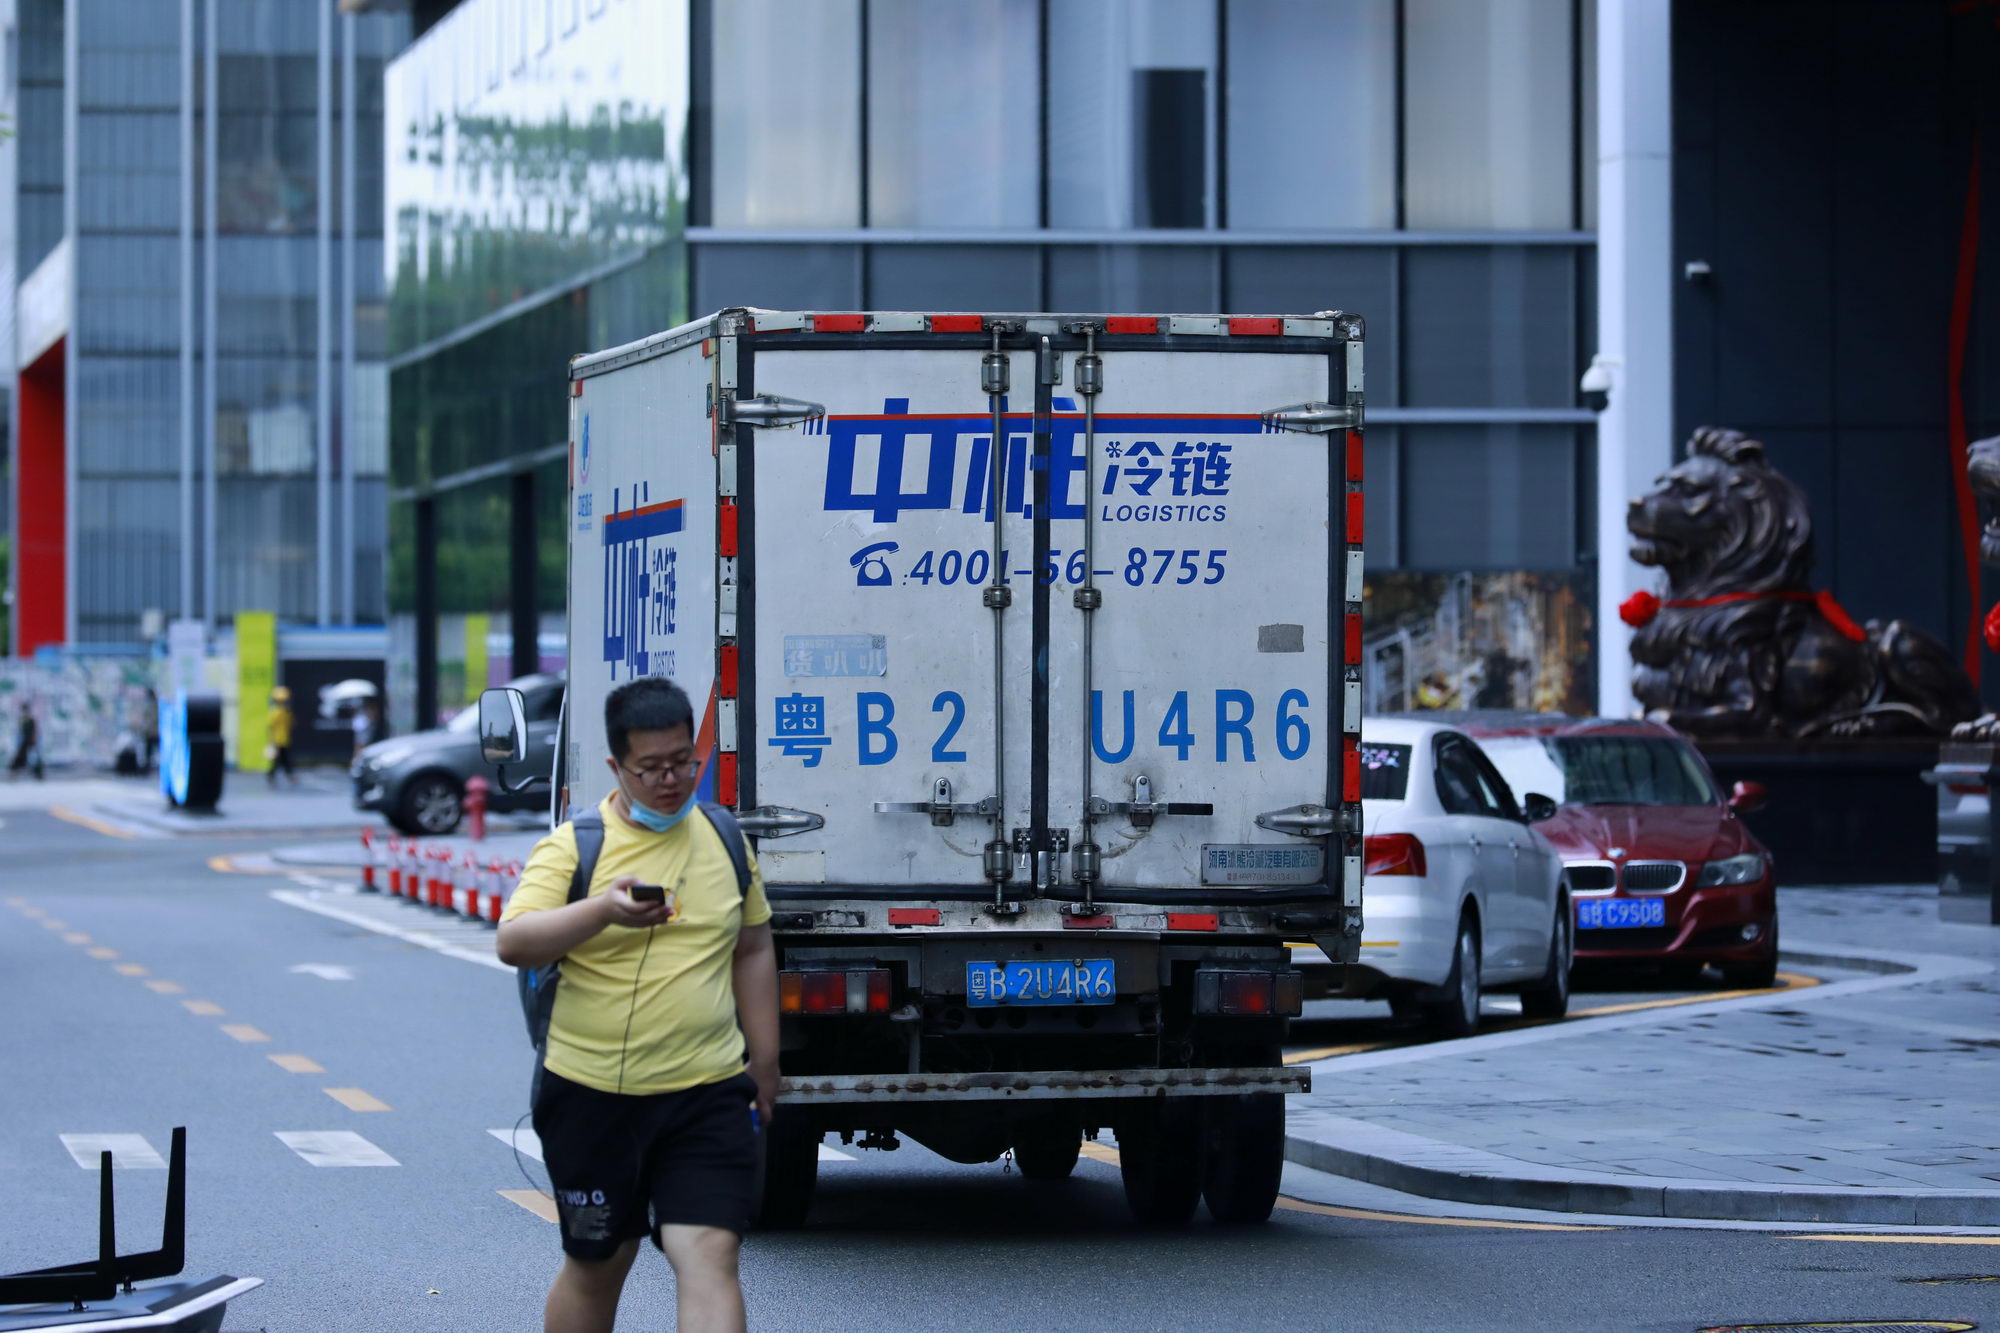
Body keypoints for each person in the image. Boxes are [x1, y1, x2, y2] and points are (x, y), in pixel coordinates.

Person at [497, 678, 778, 1333]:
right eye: (650, 767)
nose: (671, 780)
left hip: (705, 1091)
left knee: (710, 1253)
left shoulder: (725, 838)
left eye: (684, 761)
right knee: (600, 1262)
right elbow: (514, 940)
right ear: (616, 767)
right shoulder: (576, 846)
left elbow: (754, 946)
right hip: (593, 1096)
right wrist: (602, 910)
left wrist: (764, 1058)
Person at [265, 687, 296, 787]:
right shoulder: (275, 712)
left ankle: (289, 777)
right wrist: (271, 741)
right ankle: (272, 777)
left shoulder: (287, 712)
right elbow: (271, 727)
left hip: (285, 740)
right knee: (276, 762)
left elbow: (291, 724)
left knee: (285, 760)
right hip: (277, 741)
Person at [8, 701, 42, 781]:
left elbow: (34, 731)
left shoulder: (31, 720)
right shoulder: (22, 720)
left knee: (33, 758)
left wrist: (34, 740)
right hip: (24, 742)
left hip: (30, 742)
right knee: (20, 758)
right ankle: (14, 773)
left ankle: (38, 775)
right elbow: (20, 732)